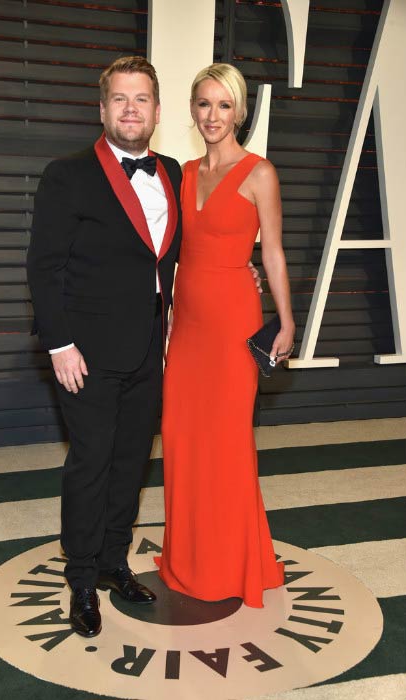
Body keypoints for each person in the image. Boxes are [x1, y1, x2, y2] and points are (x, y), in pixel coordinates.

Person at [27, 56, 182, 637]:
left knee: (129, 464)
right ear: (102, 109)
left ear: (157, 111)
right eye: (119, 99)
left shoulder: (173, 173)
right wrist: (60, 344)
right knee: (90, 465)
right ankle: (82, 578)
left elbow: (178, 255)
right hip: (86, 354)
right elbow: (44, 267)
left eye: (141, 99)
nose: (130, 109)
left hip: (151, 351)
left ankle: (116, 562)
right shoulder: (66, 175)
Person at [156, 63, 295, 607]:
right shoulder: (182, 172)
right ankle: (187, 559)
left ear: (239, 111)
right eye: (204, 104)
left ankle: (228, 566)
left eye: (224, 105)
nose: (213, 116)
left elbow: (274, 253)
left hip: (234, 325)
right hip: (186, 327)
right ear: (192, 110)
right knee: (182, 436)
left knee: (228, 442)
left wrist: (285, 320)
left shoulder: (260, 173)